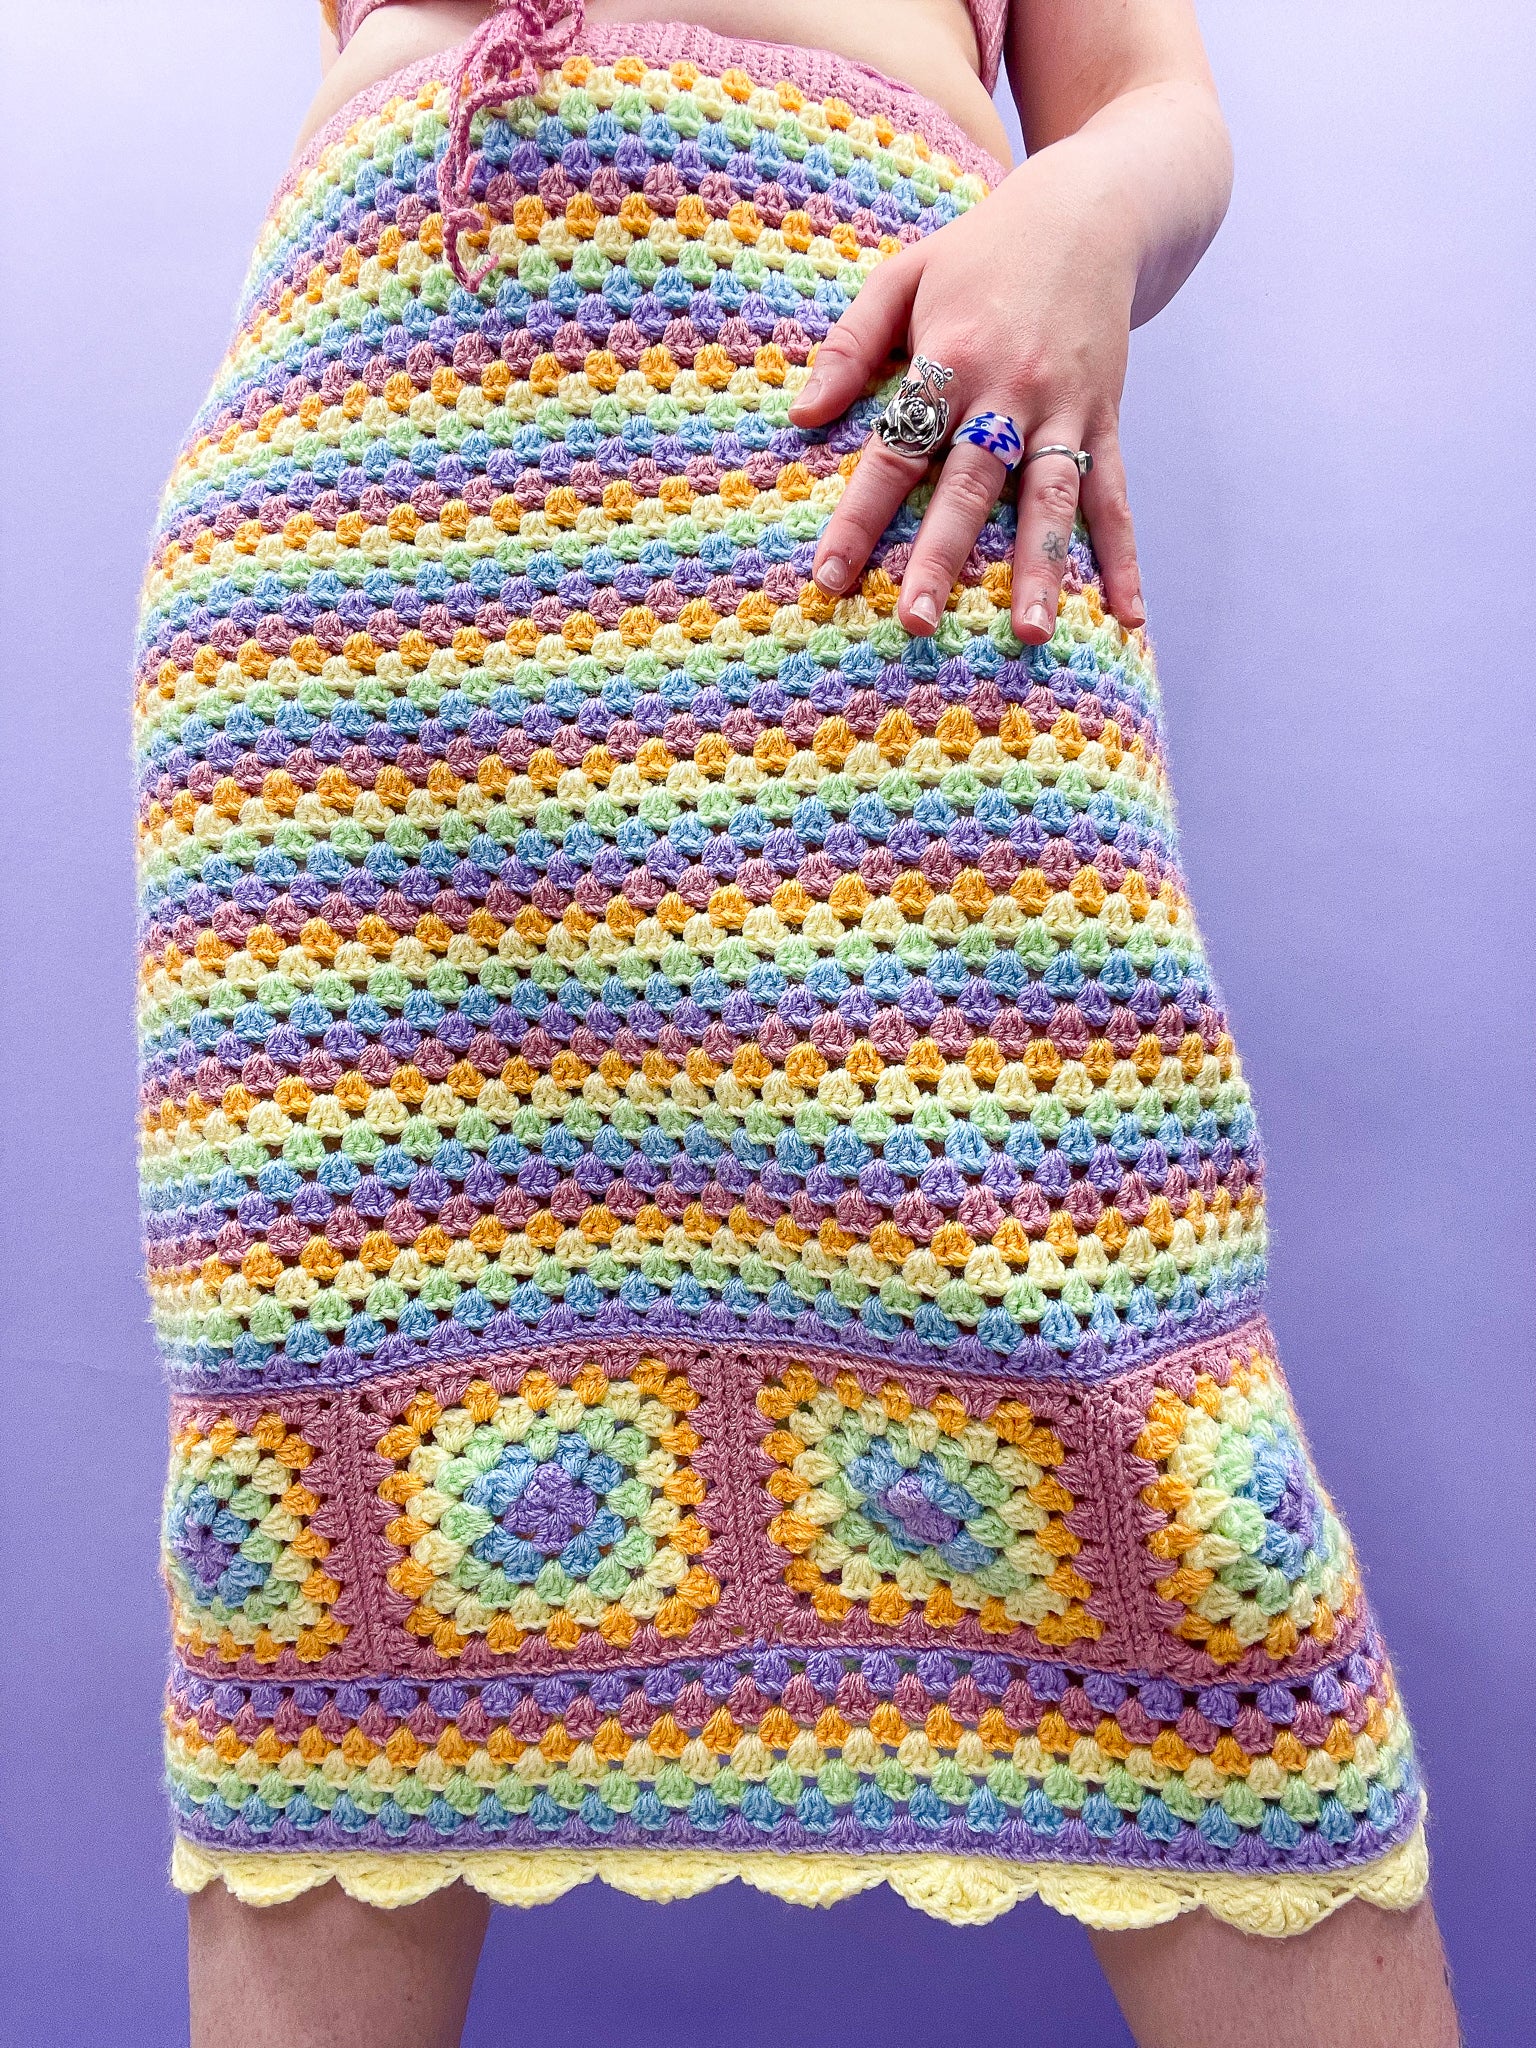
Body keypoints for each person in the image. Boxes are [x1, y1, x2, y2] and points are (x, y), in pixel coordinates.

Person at [134, 4, 1461, 2044]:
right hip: (364, 594)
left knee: (1157, 1461)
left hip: (880, 528)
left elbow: (1157, 108)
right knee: (320, 1504)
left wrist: (1081, 207)